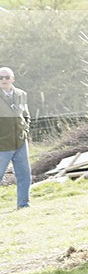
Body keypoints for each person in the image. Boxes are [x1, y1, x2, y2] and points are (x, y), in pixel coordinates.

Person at [0, 67, 31, 209]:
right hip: (2, 144)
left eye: (7, 77)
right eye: (1, 78)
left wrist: (25, 129)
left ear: (13, 79)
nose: (4, 80)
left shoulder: (21, 94)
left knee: (24, 175)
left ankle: (23, 205)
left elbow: (26, 115)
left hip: (20, 141)